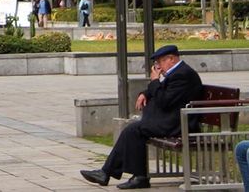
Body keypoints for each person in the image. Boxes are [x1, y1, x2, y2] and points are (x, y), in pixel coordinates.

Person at [80, 44, 204, 189]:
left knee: (133, 131)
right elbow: (161, 92)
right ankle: (116, 174)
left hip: (178, 123)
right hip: (171, 119)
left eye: (160, 62)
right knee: (134, 130)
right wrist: (144, 93)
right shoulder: (176, 73)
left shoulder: (183, 75)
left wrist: (155, 81)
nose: (158, 66)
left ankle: (129, 175)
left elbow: (165, 101)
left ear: (171, 59)